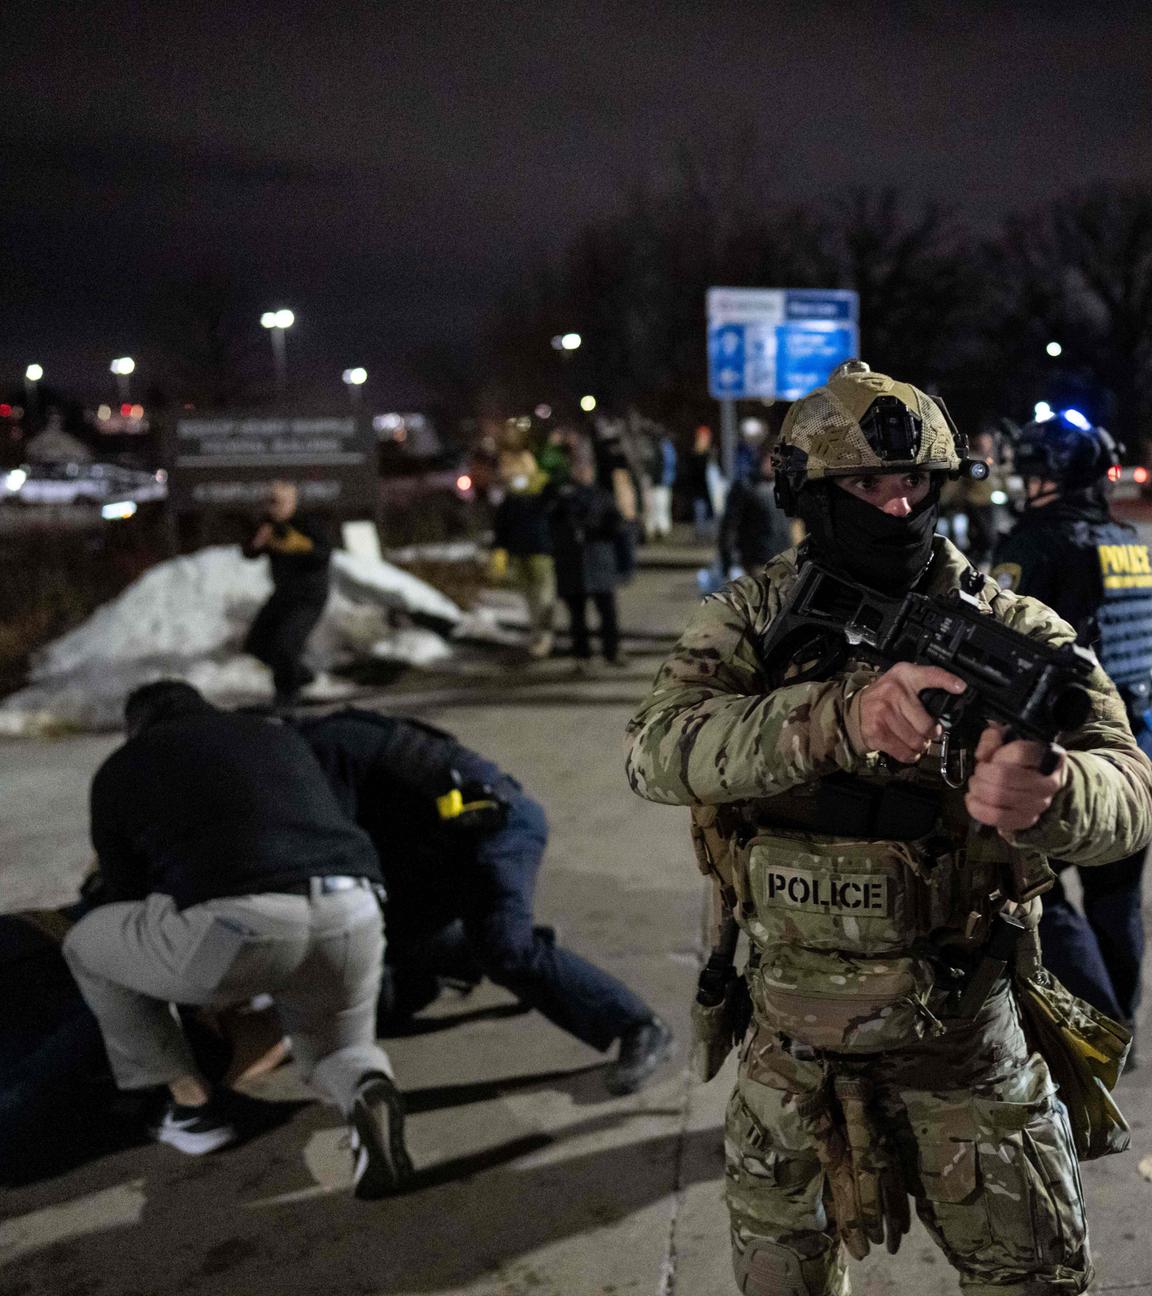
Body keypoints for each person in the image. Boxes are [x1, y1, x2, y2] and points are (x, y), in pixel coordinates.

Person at [624, 361, 1152, 1296]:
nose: (898, 507)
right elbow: (657, 752)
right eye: (868, 485)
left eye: (915, 484)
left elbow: (1130, 790)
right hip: (791, 1058)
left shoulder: (1011, 624)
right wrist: (837, 715)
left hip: (967, 1051)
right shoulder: (749, 620)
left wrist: (1056, 793)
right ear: (807, 492)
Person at [62, 681, 412, 1199]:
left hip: (237, 926)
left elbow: (125, 893)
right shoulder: (275, 737)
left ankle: (191, 1106)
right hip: (353, 906)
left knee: (87, 946)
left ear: (135, 727)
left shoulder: (123, 767)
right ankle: (366, 1087)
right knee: (336, 1053)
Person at [298, 707, 675, 1095]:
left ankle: (637, 1025)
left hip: (495, 831)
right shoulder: (327, 735)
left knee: (506, 949)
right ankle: (480, 948)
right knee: (394, 946)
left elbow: (331, 857)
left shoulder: (317, 753)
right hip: (439, 848)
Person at [992, 412, 1151, 1050]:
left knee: (1043, 896)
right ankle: (1125, 1022)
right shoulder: (1130, 542)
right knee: (1117, 901)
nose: (1028, 487)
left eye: (1036, 474)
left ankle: (1100, 1029)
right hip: (1136, 748)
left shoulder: (1034, 545)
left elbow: (1004, 646)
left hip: (1067, 748)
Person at [242, 479, 332, 707]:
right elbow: (248, 552)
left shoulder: (307, 523)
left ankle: (287, 696)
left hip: (309, 596)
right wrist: (258, 542)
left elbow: (324, 554)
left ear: (292, 502)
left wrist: (302, 547)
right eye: (271, 502)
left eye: (279, 502)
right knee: (257, 643)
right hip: (283, 595)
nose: (274, 507)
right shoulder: (268, 525)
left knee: (285, 644)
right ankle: (301, 675)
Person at [550, 449, 630, 670]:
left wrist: (600, 531)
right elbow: (554, 529)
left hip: (599, 561)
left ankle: (611, 651)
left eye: (586, 468)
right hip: (573, 564)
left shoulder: (602, 496)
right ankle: (582, 654)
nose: (583, 473)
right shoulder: (562, 498)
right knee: (577, 616)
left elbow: (617, 525)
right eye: (579, 469)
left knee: (607, 612)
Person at [490, 450, 557, 659]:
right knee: (530, 597)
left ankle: (545, 636)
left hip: (541, 550)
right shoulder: (512, 492)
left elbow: (553, 517)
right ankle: (537, 635)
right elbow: (503, 523)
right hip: (520, 551)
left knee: (544, 596)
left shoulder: (545, 487)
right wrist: (499, 549)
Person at [717, 440, 793, 578]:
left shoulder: (786, 487)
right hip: (757, 561)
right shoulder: (745, 487)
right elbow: (729, 526)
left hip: (784, 560)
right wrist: (727, 560)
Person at [642, 427, 677, 541]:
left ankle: (658, 529)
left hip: (659, 481)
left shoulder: (658, 447)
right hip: (665, 481)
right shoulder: (668, 447)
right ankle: (662, 528)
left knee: (656, 506)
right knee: (662, 506)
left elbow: (656, 465)